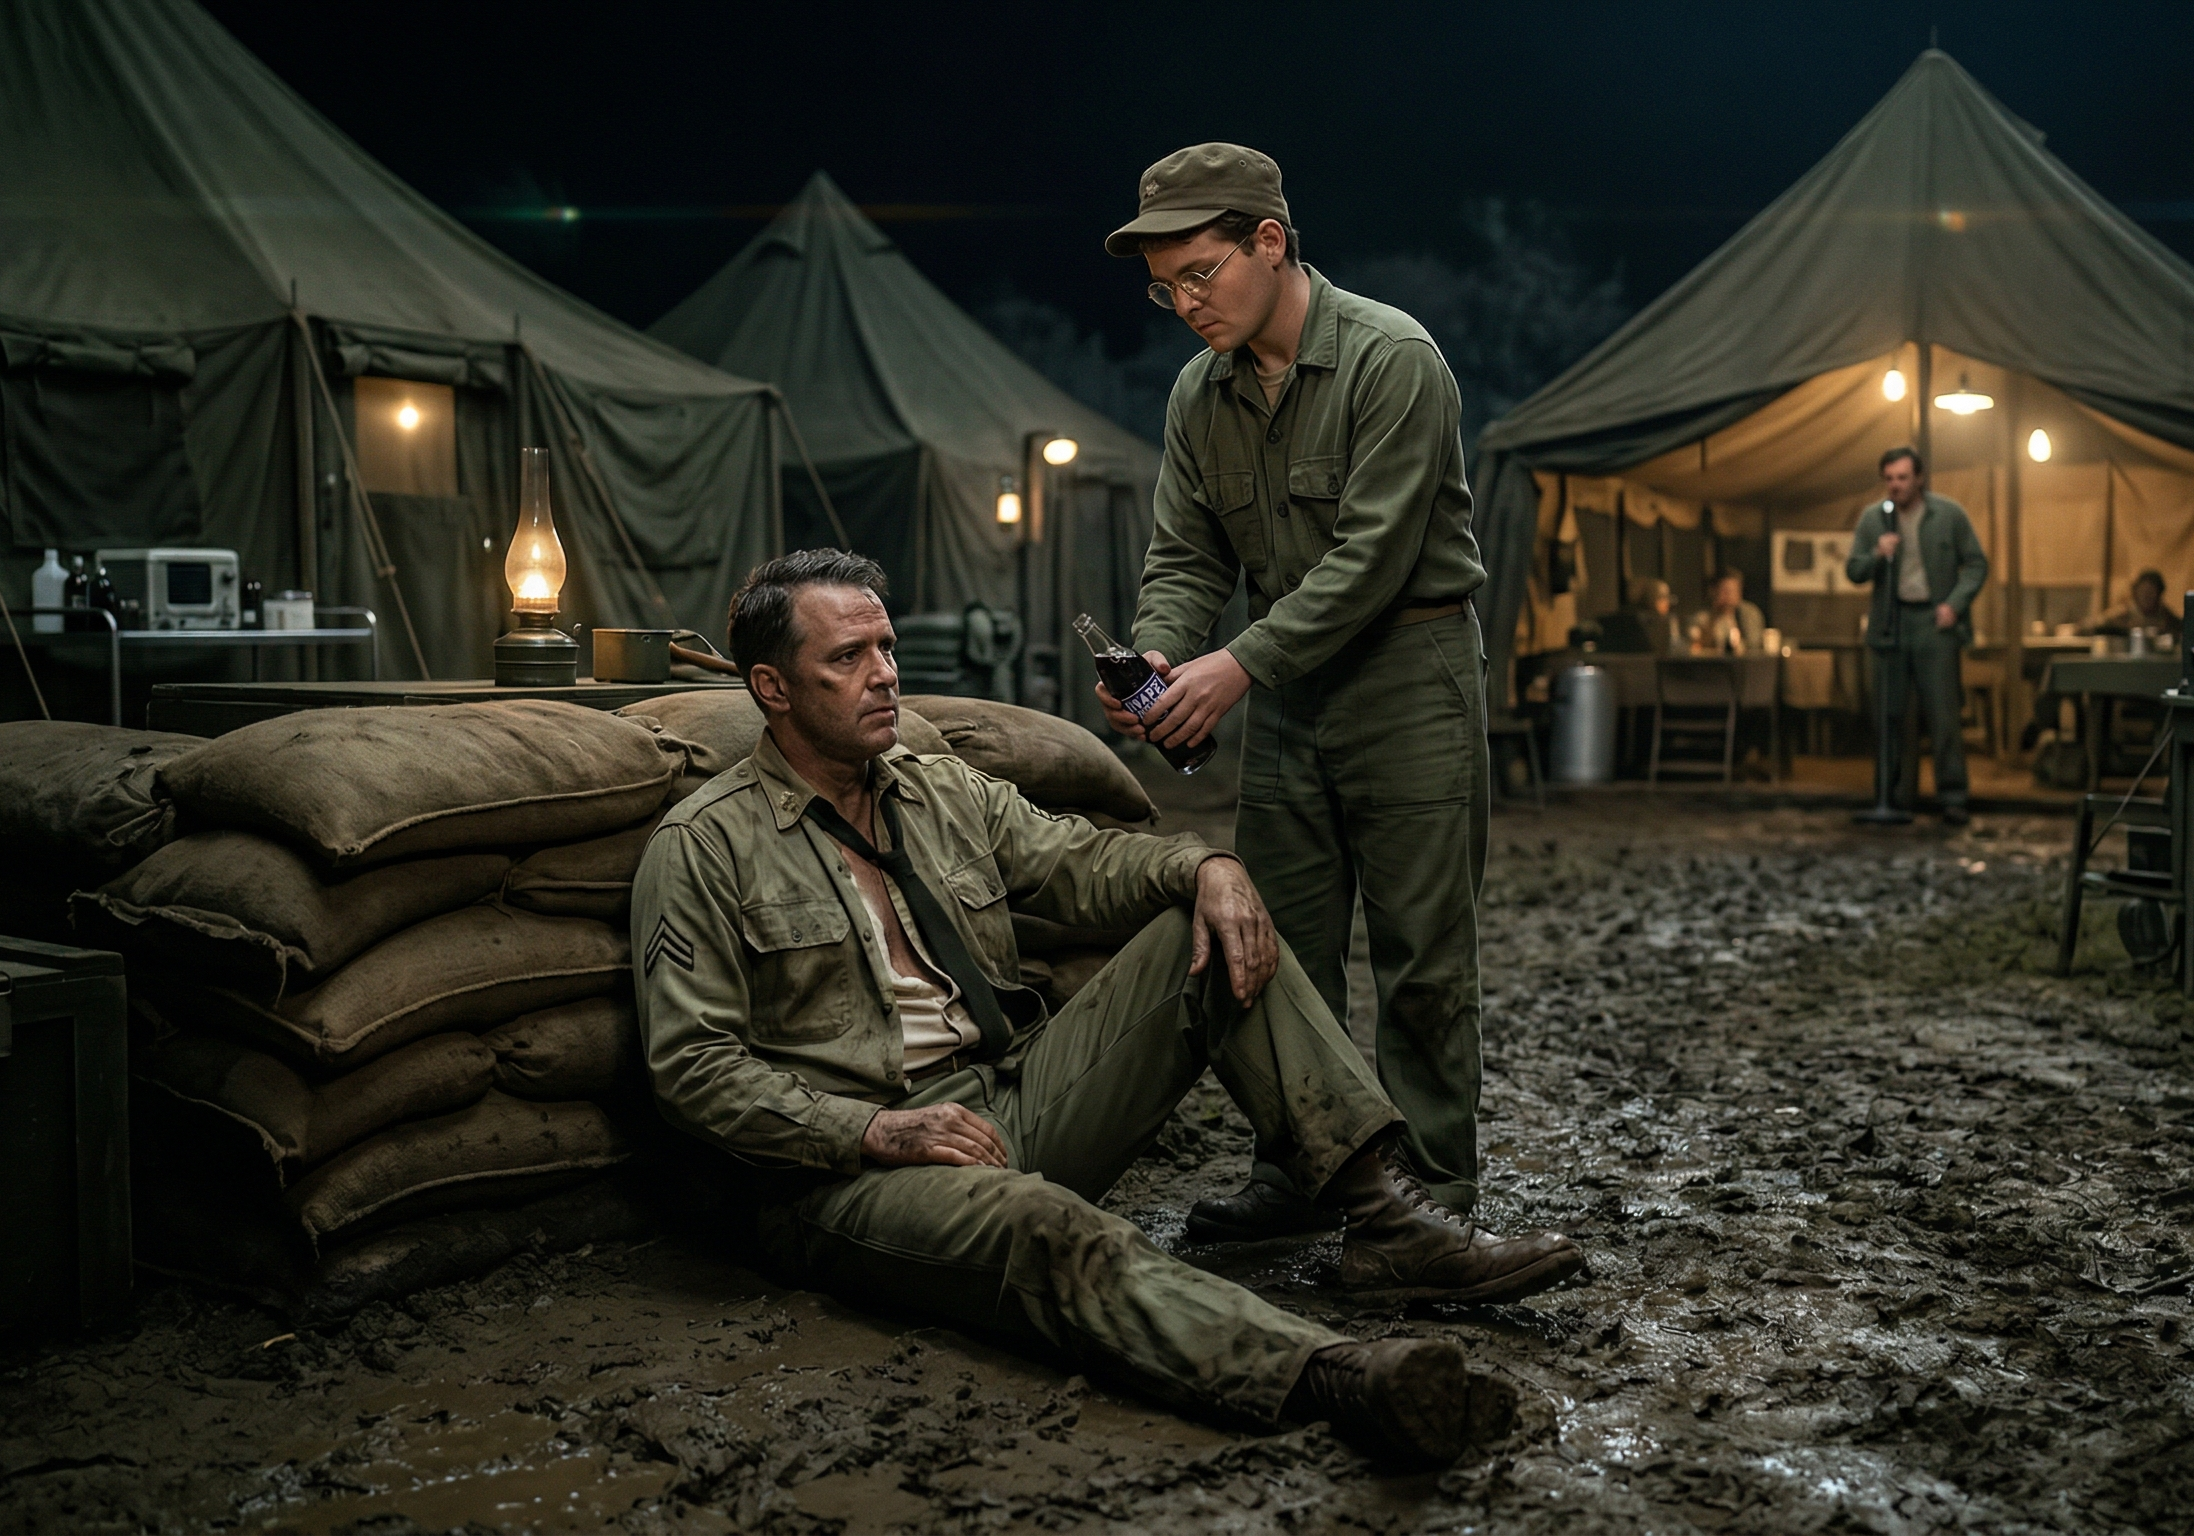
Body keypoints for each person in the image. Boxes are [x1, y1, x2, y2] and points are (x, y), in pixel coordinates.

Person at [631, 550, 1582, 1465]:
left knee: (1202, 929)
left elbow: (1082, 861)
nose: (884, 675)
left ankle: (1384, 1221)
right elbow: (693, 1070)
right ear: (772, 687)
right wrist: (875, 1131)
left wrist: (1207, 865)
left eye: (886, 647)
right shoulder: (705, 845)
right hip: (849, 1172)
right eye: (847, 658)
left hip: (1008, 1098)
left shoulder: (935, 787)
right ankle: (1329, 1376)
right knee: (1048, 1231)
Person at [1097, 143, 1490, 1240]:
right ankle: (1303, 1171)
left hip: (1408, 674)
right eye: (1165, 288)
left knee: (1422, 957)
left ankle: (1431, 1197)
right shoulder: (1199, 393)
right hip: (1284, 692)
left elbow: (1372, 560)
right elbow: (1187, 556)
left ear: (1269, 242)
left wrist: (1233, 667)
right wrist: (1159, 656)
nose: (1185, 304)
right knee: (1276, 951)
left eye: (1200, 274)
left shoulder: (1392, 359)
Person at [1845, 446, 1988, 824]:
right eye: (1889, 478)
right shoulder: (1874, 518)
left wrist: (1954, 604)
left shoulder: (1948, 514)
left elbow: (1976, 563)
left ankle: (1952, 796)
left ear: (1919, 478)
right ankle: (1895, 796)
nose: (1896, 485)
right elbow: (1854, 570)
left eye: (1903, 478)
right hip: (1891, 623)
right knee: (1891, 714)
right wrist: (1877, 554)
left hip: (1933, 622)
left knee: (1943, 713)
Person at [2084, 569, 2184, 641]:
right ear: (2136, 593)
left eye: (2151, 592)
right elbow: (2089, 627)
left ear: (2159, 594)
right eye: (2143, 591)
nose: (2146, 597)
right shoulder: (2121, 615)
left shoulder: (2167, 617)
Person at [1687, 569, 1764, 655]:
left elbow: (1754, 644)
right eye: (1725, 591)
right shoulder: (1701, 616)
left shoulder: (1750, 613)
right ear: (1713, 591)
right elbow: (1695, 645)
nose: (1730, 596)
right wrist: (1714, 617)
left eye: (1734, 590)